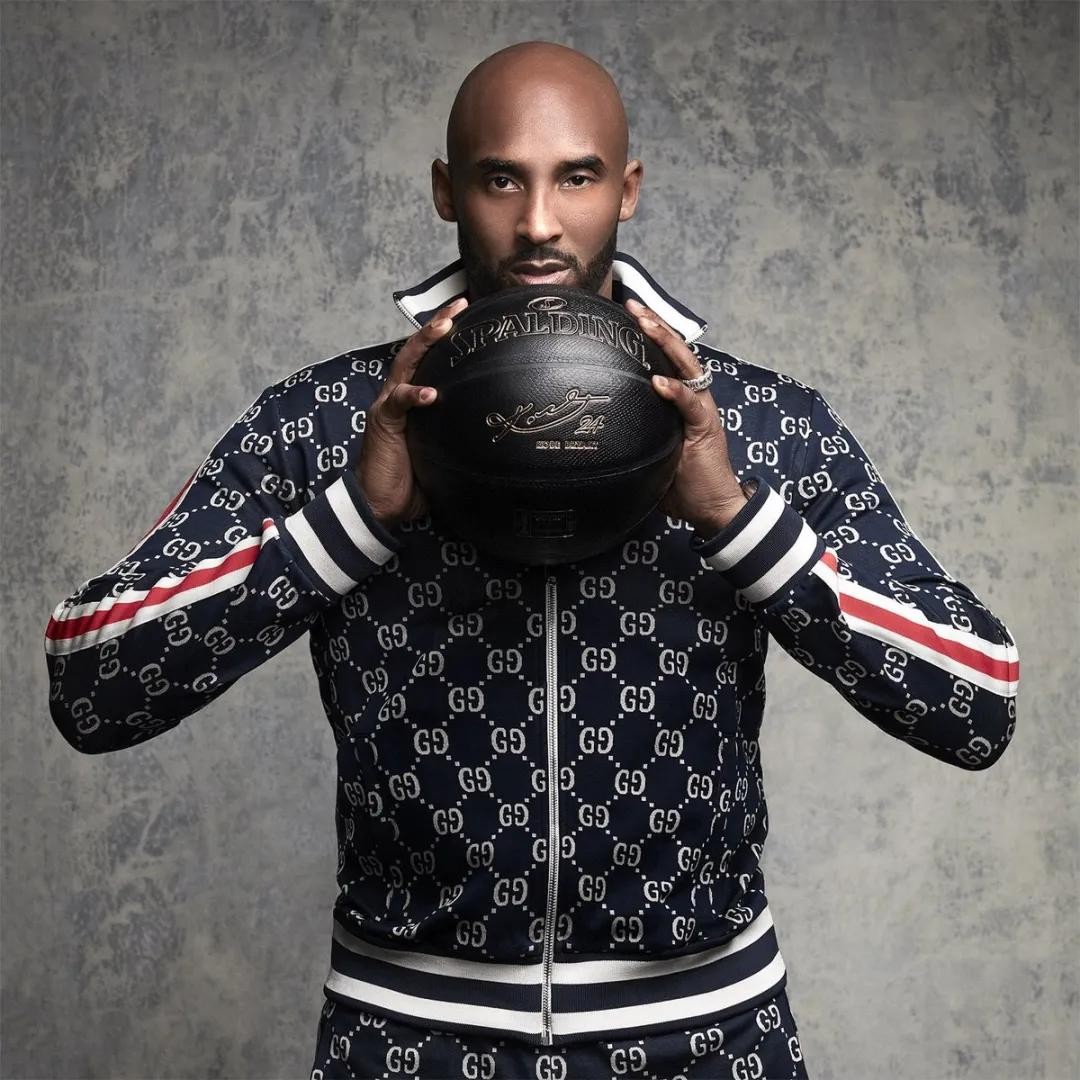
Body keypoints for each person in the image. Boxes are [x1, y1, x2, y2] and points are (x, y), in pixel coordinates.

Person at [45, 40, 1019, 1080]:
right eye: (501, 178)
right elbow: (92, 684)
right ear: (446, 190)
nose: (540, 221)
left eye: (578, 177)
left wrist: (737, 523)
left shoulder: (756, 424)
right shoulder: (330, 422)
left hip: (706, 1039)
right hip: (407, 1042)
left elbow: (977, 701)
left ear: (628, 189)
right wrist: (353, 520)